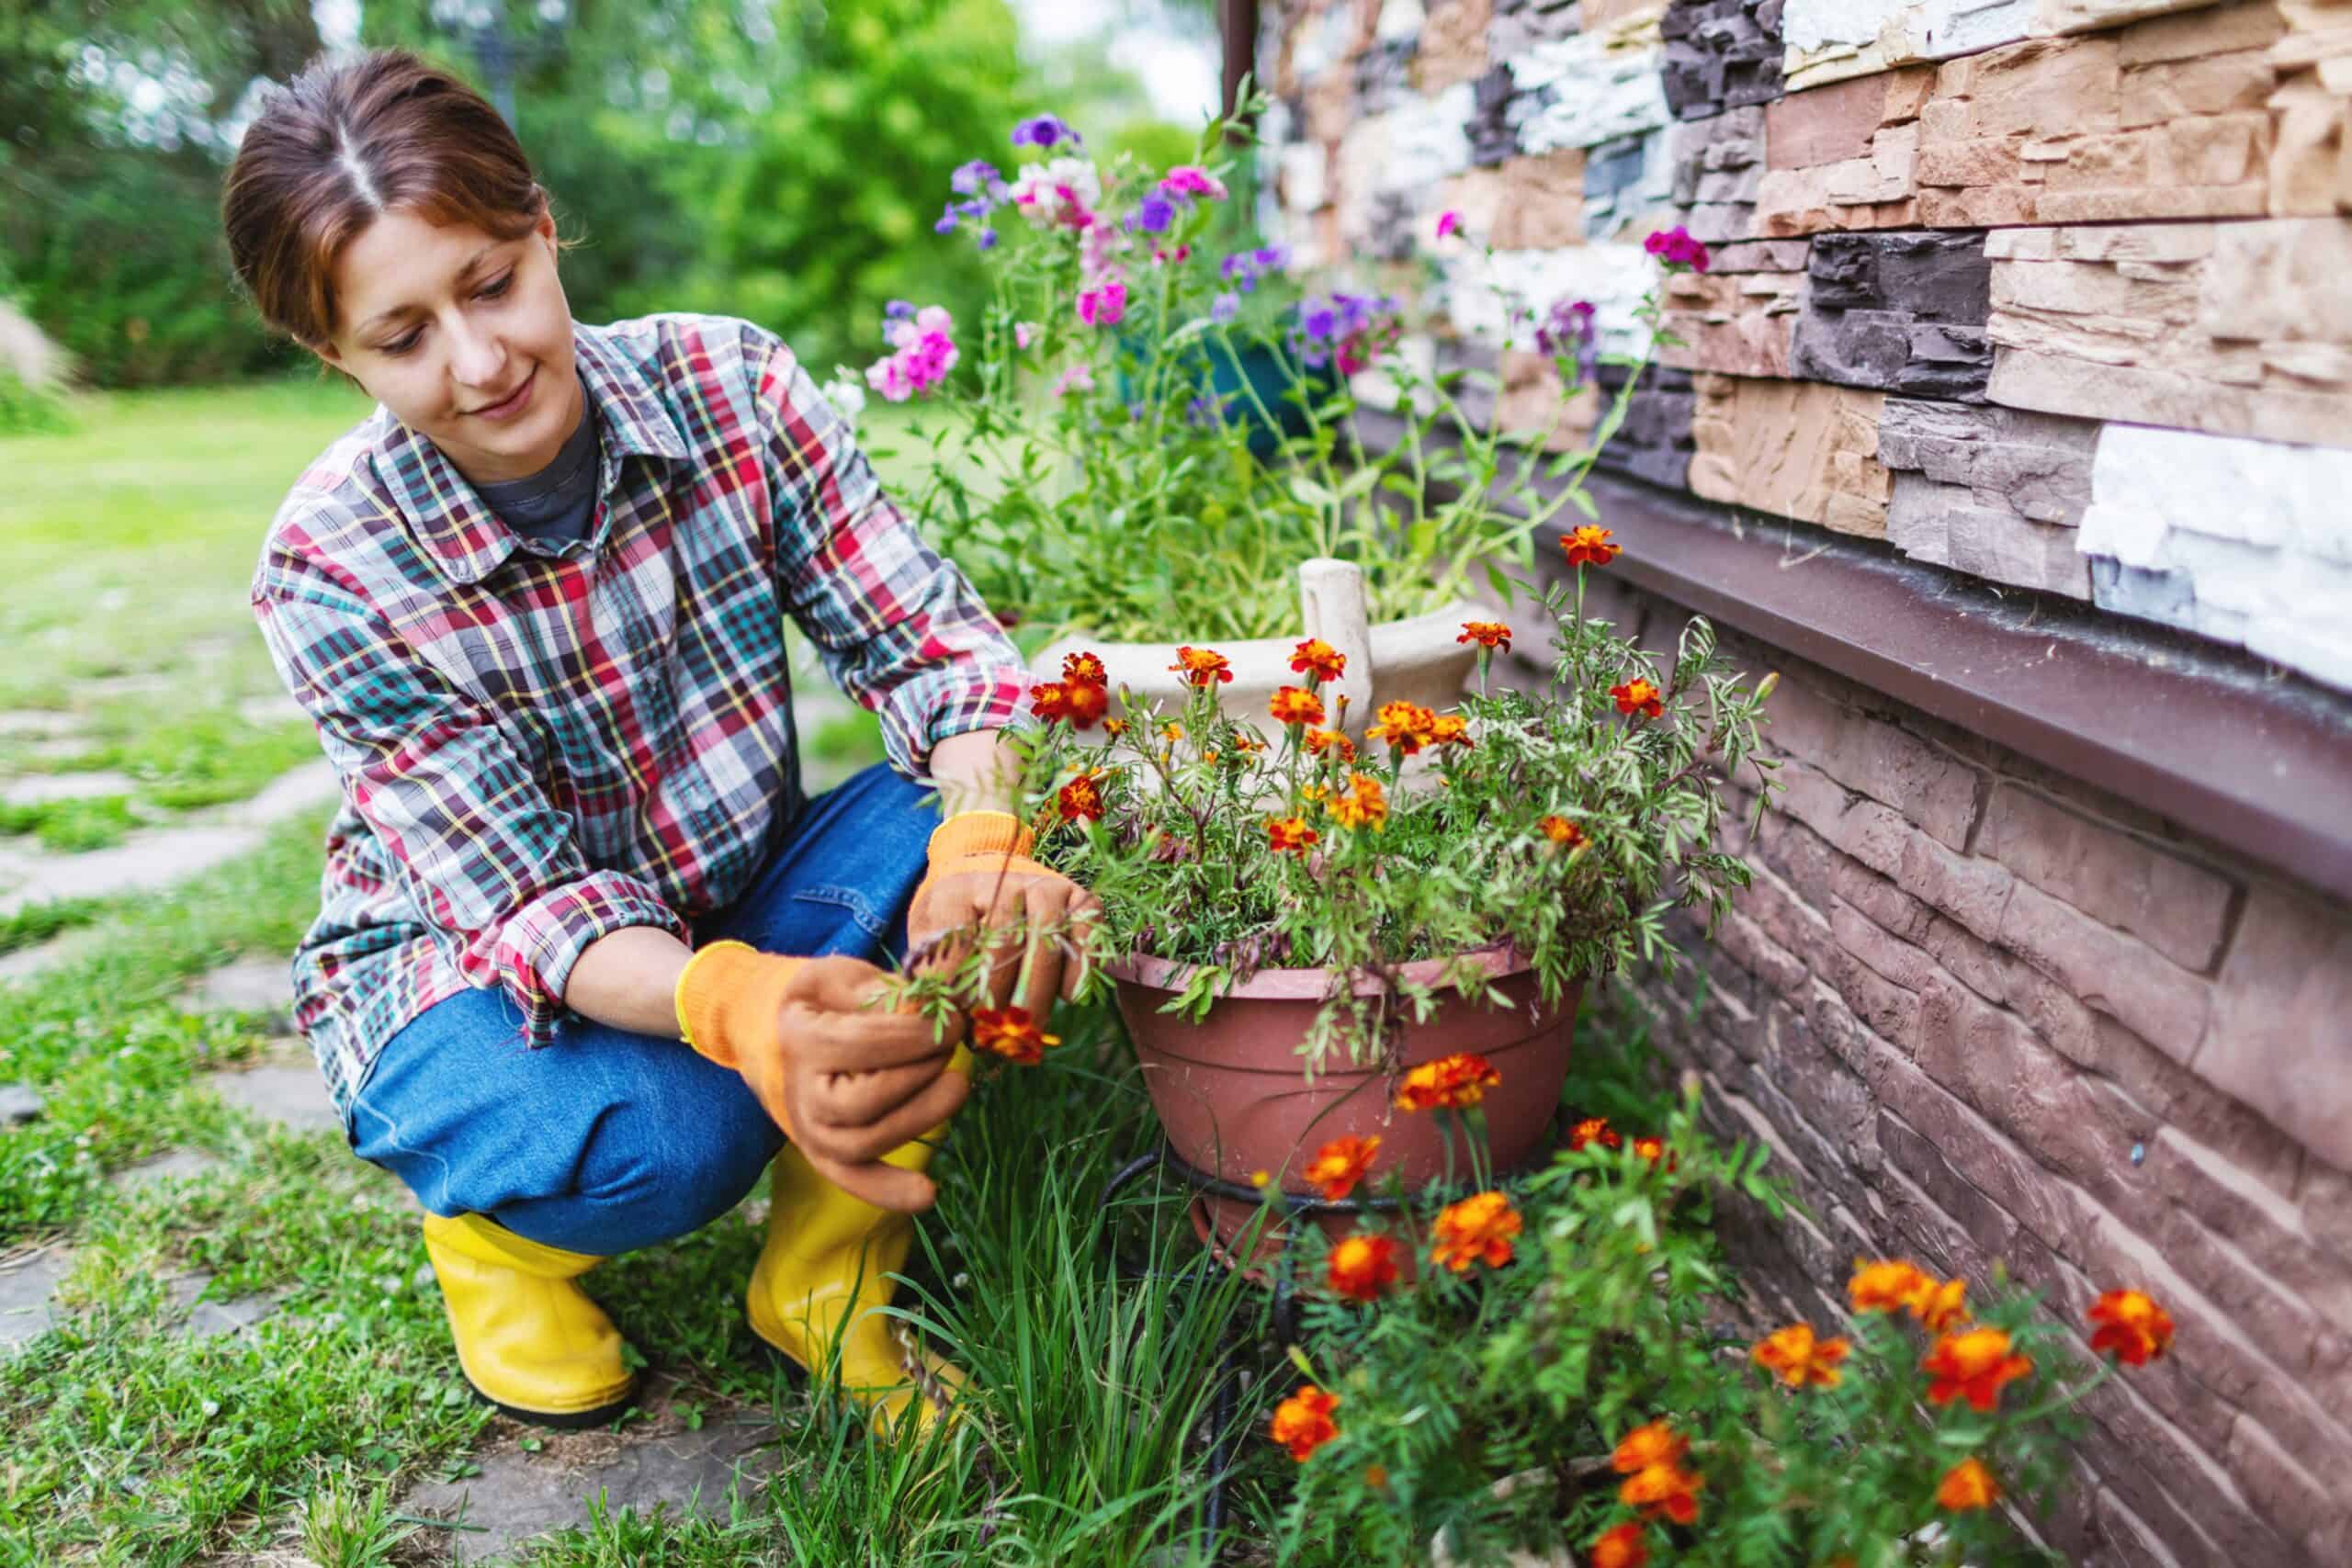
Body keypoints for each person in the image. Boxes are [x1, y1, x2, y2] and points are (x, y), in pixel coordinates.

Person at [222, 49, 1094, 1432]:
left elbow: (937, 654)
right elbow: (528, 904)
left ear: (544, 224)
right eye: (402, 339)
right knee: (678, 1138)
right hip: (461, 978)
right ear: (330, 353)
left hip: (715, 890)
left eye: (494, 281)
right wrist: (737, 1007)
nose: (480, 358)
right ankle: (497, 1240)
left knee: (1015, 847)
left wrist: (983, 844)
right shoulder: (332, 566)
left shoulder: (732, 388)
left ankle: (827, 1277)